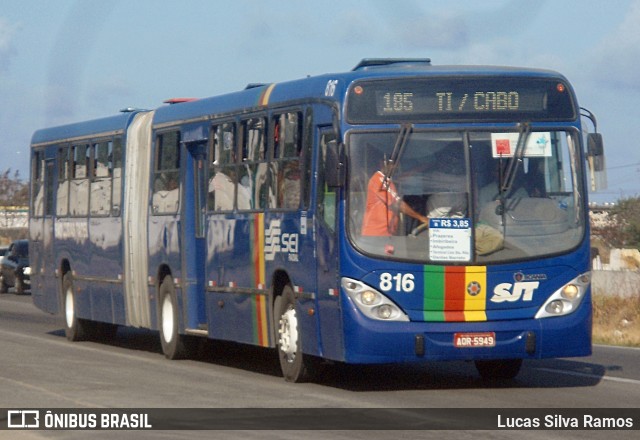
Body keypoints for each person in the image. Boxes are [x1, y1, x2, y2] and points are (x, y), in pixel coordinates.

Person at [361, 160, 429, 236]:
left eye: (395, 164)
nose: (394, 167)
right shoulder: (379, 180)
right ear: (382, 163)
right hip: (376, 234)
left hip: (387, 234)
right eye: (391, 164)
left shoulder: (389, 182)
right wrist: (421, 218)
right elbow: (397, 204)